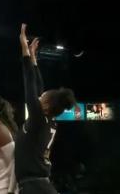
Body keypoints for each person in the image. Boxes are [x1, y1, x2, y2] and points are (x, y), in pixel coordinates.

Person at [15, 24, 76, 194]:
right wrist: (34, 58)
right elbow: (38, 87)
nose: (39, 97)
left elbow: (30, 84)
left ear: (47, 105)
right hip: (39, 185)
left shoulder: (39, 120)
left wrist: (25, 50)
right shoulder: (47, 121)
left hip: (35, 187)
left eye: (41, 98)